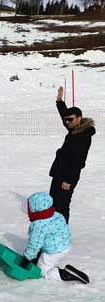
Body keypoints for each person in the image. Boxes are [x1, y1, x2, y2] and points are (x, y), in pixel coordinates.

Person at [49, 86, 95, 223]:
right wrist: (59, 101)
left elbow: (79, 161)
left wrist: (69, 180)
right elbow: (65, 114)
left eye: (70, 119)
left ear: (79, 118)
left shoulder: (83, 136)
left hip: (68, 176)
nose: (67, 122)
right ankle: (53, 232)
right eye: (66, 120)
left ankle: (61, 236)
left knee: (62, 206)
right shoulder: (74, 129)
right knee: (53, 203)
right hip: (59, 172)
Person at [20, 192, 89, 283]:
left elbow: (34, 245)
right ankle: (63, 268)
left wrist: (26, 259)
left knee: (42, 271)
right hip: (65, 246)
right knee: (45, 261)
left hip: (53, 252)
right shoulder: (57, 215)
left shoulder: (38, 225)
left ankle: (64, 274)